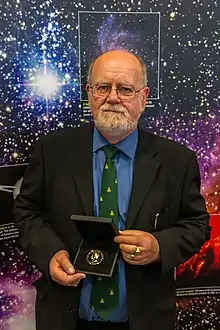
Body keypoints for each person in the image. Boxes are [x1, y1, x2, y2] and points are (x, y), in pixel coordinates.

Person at [13, 49, 211, 330]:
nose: (113, 97)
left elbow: (197, 224)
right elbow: (27, 210)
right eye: (103, 87)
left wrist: (158, 247)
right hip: (65, 315)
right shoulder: (52, 151)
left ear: (144, 97)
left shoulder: (176, 161)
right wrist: (50, 253)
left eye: (125, 89)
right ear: (89, 93)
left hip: (143, 317)